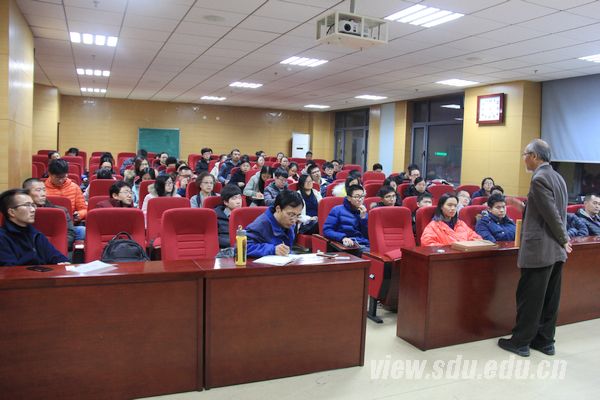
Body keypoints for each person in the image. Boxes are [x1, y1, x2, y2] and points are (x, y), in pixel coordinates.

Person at [498, 139, 570, 358]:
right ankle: (545, 342)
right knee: (549, 299)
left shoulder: (539, 178)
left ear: (535, 156)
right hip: (555, 251)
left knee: (530, 298)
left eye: (525, 154)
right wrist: (521, 206)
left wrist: (564, 238)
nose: (524, 159)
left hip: (540, 251)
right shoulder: (557, 177)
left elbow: (551, 214)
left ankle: (520, 342)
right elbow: (545, 209)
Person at [0, 189, 69, 266]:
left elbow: (57, 257)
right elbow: (9, 270)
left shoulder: (35, 234)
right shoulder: (2, 238)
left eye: (33, 205)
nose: (33, 210)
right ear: (12, 212)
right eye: (27, 205)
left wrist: (64, 263)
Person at [23, 178, 76, 251]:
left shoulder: (60, 211)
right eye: (38, 190)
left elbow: (70, 234)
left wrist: (50, 249)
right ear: (26, 194)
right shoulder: (20, 212)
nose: (43, 194)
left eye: (44, 190)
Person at [246, 190, 303, 257]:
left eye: (298, 215)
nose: (294, 220)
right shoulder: (261, 224)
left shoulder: (289, 224)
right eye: (291, 214)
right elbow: (241, 247)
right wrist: (273, 249)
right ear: (278, 209)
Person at [323, 184, 369, 251]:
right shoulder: (337, 210)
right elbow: (327, 230)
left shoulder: (364, 212)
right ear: (349, 198)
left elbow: (367, 235)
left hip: (363, 243)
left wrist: (363, 219)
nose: (360, 199)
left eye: (362, 196)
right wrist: (342, 237)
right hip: (347, 245)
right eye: (357, 197)